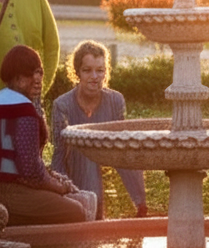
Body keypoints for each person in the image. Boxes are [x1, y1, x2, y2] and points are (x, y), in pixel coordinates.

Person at [0, 45, 96, 225]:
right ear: (16, 79)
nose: (37, 79)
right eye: (29, 75)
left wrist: (54, 179)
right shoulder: (24, 111)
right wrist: (59, 187)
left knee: (71, 197)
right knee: (75, 210)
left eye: (39, 73)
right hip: (7, 189)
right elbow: (31, 171)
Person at [51, 40, 148, 219]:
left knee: (130, 147)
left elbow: (122, 148)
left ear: (106, 72)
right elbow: (59, 154)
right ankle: (90, 213)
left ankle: (141, 207)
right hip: (76, 164)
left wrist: (138, 197)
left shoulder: (115, 100)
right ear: (77, 72)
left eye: (100, 70)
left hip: (108, 152)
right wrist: (61, 193)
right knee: (86, 152)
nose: (94, 76)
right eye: (87, 70)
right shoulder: (62, 105)